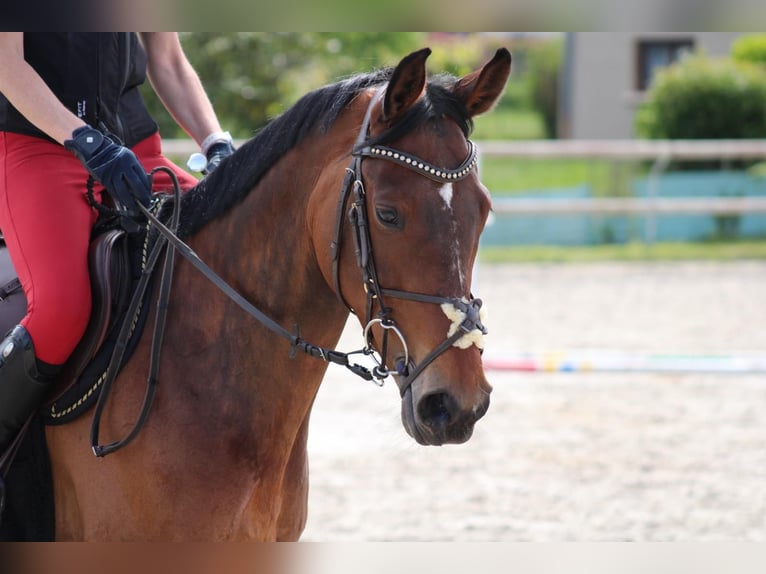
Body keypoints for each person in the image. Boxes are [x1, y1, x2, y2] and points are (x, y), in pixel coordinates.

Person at [0, 33, 235, 454]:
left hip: (135, 151)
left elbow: (169, 60)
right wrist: (83, 139)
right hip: (41, 146)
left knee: (231, 253)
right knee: (61, 312)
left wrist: (215, 140)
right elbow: (6, 63)